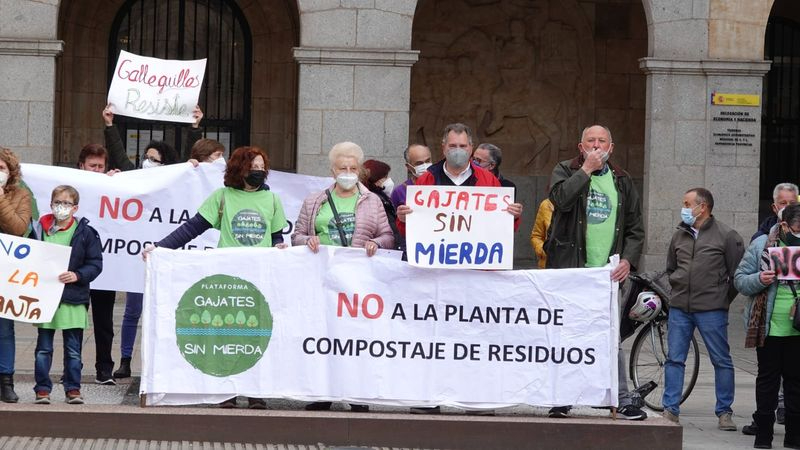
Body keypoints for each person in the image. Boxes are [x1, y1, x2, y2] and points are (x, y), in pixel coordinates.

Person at [144, 146, 286, 409]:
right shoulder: (222, 197)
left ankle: (256, 391)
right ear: (239, 169)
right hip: (229, 278)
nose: (258, 172)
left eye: (261, 167)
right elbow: (192, 228)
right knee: (228, 334)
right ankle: (227, 391)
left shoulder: (273, 200)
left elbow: (277, 237)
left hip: (260, 278)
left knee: (257, 334)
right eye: (253, 167)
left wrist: (280, 248)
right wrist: (160, 248)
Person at [396, 124, 522, 415]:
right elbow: (411, 230)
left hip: (475, 276)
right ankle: (428, 397)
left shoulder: (489, 181)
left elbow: (501, 229)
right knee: (431, 335)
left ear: (470, 147)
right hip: (435, 277)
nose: (457, 151)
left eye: (463, 146)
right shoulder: (426, 181)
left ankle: (475, 399)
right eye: (452, 146)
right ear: (443, 148)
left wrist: (513, 217)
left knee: (474, 337)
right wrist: (404, 218)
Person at [544, 125, 646, 420]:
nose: (597, 145)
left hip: (608, 275)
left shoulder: (623, 180)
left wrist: (628, 259)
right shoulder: (565, 169)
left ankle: (621, 399)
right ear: (581, 146)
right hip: (571, 271)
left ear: (611, 147)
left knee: (610, 338)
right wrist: (586, 170)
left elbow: (635, 227)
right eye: (592, 141)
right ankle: (562, 399)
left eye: (603, 141)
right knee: (566, 337)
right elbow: (560, 200)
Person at [292, 141, 394, 413]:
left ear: (359, 170)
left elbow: (388, 236)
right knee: (323, 334)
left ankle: (357, 394)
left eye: (352, 167)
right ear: (332, 170)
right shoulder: (315, 200)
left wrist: (378, 244)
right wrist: (307, 240)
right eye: (342, 167)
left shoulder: (372, 201)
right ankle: (322, 392)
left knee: (356, 337)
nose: (347, 172)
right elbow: (297, 235)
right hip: (323, 278)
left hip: (359, 282)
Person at [103, 106, 189, 380]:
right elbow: (117, 154)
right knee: (132, 311)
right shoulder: (133, 177)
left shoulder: (173, 183)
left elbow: (187, 167)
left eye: (153, 159)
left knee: (163, 313)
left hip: (163, 256)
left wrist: (195, 129)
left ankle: (162, 363)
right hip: (136, 257)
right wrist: (109, 126)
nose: (147, 161)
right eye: (146, 157)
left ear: (165, 165)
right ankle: (126, 360)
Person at [663, 187, 744, 430]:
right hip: (680, 307)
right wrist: (677, 288)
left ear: (703, 207)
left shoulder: (727, 235)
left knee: (721, 360)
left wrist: (721, 299)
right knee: (674, 359)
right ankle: (670, 409)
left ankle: (724, 412)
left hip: (712, 309)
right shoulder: (680, 234)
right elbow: (671, 268)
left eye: (687, 203)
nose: (684, 208)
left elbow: (737, 275)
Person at [736, 202, 800, 448]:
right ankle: (763, 435)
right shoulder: (762, 244)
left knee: (795, 382)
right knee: (767, 381)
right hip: (768, 325)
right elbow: (740, 280)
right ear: (783, 225)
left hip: (797, 327)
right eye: (796, 229)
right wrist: (759, 279)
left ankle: (794, 436)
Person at [32, 185, 103, 405]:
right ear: (51, 204)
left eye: (66, 203)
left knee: (73, 349)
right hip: (45, 298)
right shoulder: (38, 229)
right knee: (43, 348)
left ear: (75, 208)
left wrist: (78, 275)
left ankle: (73, 388)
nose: (61, 207)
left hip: (73, 298)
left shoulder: (85, 233)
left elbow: (95, 264)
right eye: (57, 203)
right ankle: (42, 389)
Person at [76, 144, 118, 385]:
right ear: (81, 166)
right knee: (74, 321)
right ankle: (73, 367)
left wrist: (116, 183)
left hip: (106, 268)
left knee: (104, 322)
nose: (97, 170)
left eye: (100, 166)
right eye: (92, 166)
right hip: (77, 269)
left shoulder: (111, 186)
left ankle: (105, 368)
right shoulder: (71, 187)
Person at [0, 148, 33, 403]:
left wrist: (0, 199)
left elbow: (18, 228)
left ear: (10, 172)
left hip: (7, 273)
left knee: (4, 328)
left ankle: (6, 380)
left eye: (1, 168)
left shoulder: (21, 195)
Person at [361, 159, 401, 250]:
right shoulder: (376, 199)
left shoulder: (384, 198)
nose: (389, 180)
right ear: (377, 180)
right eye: (386, 177)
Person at [390, 144, 432, 210]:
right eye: (419, 163)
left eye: (428, 161)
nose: (425, 166)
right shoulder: (399, 192)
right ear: (408, 167)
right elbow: (392, 218)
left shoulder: (442, 184)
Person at [530, 196, 554, 268]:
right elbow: (536, 236)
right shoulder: (547, 204)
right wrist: (544, 251)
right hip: (547, 267)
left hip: (577, 268)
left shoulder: (582, 206)